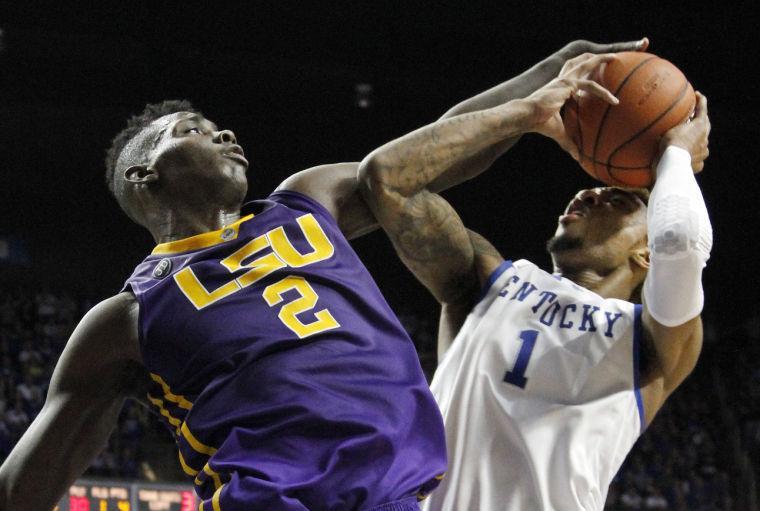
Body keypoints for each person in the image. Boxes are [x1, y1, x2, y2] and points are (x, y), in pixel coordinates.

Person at [0, 38, 646, 510]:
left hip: (402, 497)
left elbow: (432, 153)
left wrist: (547, 74)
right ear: (148, 175)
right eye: (194, 130)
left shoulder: (304, 201)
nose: (223, 133)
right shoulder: (126, 319)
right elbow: (24, 484)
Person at [359, 51, 711, 510]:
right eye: (594, 187)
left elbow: (682, 243)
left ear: (645, 253)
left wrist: (676, 157)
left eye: (620, 199)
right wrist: (523, 113)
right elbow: (387, 178)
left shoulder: (652, 339)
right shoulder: (485, 281)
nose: (590, 191)